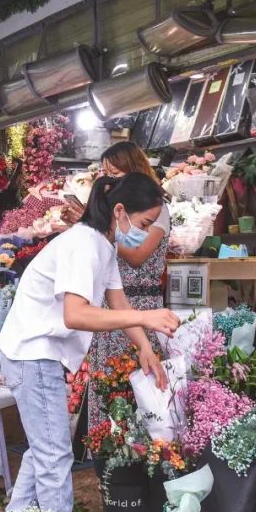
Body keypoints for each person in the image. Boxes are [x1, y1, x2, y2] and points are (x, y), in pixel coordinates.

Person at [0, 173, 180, 512]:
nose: (147, 230)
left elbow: (119, 302)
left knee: (44, 449)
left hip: (37, 355)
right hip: (32, 354)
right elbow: (76, 315)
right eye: (145, 222)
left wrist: (145, 348)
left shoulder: (103, 245)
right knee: (54, 455)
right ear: (120, 211)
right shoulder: (84, 245)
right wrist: (146, 318)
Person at [85, 142, 172, 430]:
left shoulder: (156, 209)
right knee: (109, 384)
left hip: (141, 305)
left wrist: (108, 238)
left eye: (116, 172)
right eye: (106, 173)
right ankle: (109, 454)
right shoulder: (111, 218)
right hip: (112, 308)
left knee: (141, 386)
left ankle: (146, 454)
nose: (110, 180)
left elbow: (137, 255)